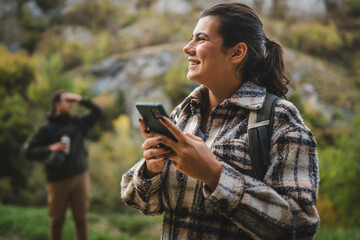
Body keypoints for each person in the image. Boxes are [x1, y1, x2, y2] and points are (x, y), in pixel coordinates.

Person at [121, 2, 319, 240]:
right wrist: (152, 168)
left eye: (201, 39)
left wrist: (214, 174)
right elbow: (140, 202)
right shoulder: (183, 113)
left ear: (237, 53)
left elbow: (301, 226)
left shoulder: (280, 118)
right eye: (190, 38)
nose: (187, 47)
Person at [25, 91, 103, 240]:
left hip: (81, 177)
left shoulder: (78, 123)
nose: (71, 104)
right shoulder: (46, 129)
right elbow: (29, 151)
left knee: (81, 220)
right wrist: (49, 148)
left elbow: (99, 111)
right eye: (67, 101)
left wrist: (80, 99)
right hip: (57, 181)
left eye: (72, 101)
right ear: (56, 104)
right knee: (56, 221)